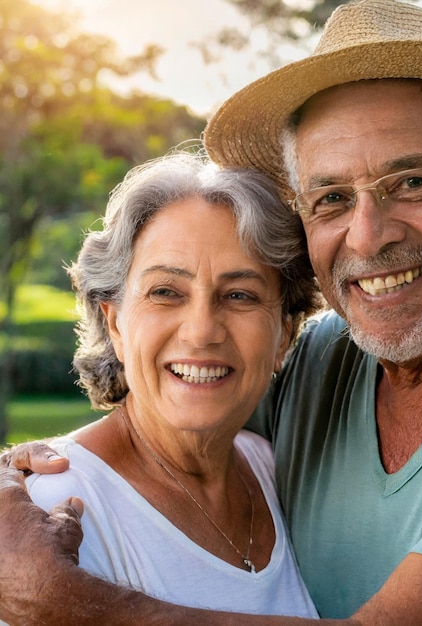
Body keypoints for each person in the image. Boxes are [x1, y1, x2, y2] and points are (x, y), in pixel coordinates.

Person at [1, 1, 422, 624]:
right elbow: (173, 405)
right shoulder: (323, 356)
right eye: (330, 198)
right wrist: (17, 478)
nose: (367, 236)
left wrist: (72, 603)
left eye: (412, 181)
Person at [12, 149, 320, 619]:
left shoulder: (271, 469)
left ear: (285, 335)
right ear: (114, 324)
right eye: (165, 293)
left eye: (240, 295)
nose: (201, 331)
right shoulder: (49, 516)